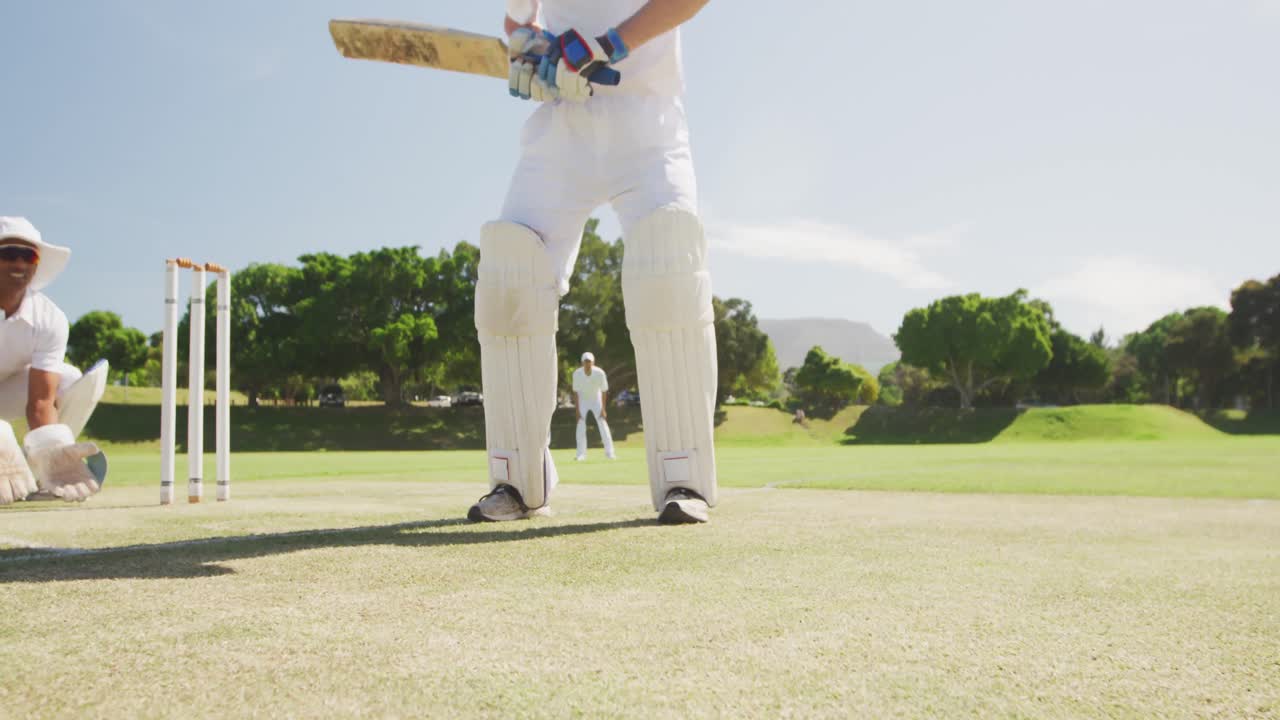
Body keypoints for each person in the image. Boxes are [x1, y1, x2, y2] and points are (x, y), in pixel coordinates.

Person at [468, 0, 717, 524]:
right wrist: (529, 47)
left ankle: (682, 479)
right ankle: (516, 480)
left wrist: (610, 43)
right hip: (564, 125)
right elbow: (519, 19)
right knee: (510, 278)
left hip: (648, 125)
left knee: (669, 267)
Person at [0, 216, 108, 505]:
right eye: (8, 253)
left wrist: (52, 447)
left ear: (36, 265)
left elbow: (40, 403)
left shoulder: (49, 319)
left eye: (28, 255)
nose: (19, 263)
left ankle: (44, 473)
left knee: (70, 379)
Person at [572, 351, 615, 461]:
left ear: (593, 362)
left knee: (602, 424)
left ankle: (610, 453)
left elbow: (604, 391)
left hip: (596, 399)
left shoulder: (600, 373)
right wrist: (577, 410)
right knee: (580, 425)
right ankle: (581, 454)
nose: (588, 364)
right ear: (582, 363)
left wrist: (603, 409)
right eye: (586, 362)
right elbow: (576, 392)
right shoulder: (577, 374)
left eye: (589, 362)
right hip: (583, 400)